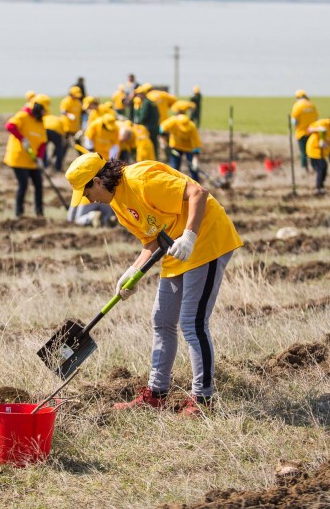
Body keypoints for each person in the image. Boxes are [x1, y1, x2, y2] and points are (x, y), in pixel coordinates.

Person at [65, 153, 242, 416]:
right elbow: (150, 243)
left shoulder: (142, 180)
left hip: (205, 240)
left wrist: (190, 236)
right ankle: (156, 393)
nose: (88, 200)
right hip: (175, 249)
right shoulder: (118, 204)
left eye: (86, 192)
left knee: (192, 323)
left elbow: (198, 193)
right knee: (162, 319)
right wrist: (132, 272)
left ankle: (203, 401)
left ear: (99, 181)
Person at [4, 94, 49, 218]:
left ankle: (39, 213)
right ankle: (19, 213)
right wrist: (22, 138)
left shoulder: (40, 122)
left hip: (32, 158)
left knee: (39, 184)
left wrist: (40, 157)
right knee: (23, 184)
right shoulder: (23, 116)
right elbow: (9, 126)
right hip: (18, 158)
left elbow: (43, 142)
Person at [160, 101, 202, 181]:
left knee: (182, 168)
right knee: (182, 168)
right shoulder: (190, 125)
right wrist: (162, 140)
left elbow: (162, 128)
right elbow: (196, 144)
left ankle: (177, 182)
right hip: (181, 147)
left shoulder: (174, 121)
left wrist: (195, 160)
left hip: (181, 147)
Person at [305, 110, 330, 194]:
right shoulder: (323, 123)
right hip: (314, 148)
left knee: (324, 167)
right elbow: (308, 130)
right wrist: (318, 129)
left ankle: (321, 186)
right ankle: (318, 188)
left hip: (323, 150)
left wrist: (326, 144)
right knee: (321, 167)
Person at [290, 90, 319, 172]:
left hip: (301, 133)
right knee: (312, 151)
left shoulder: (297, 106)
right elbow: (317, 118)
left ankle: (304, 169)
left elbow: (294, 121)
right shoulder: (312, 105)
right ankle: (315, 167)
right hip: (312, 132)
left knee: (303, 153)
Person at [132, 84, 162, 161]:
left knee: (149, 145)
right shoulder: (151, 102)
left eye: (138, 94)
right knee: (154, 144)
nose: (137, 96)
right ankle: (155, 159)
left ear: (142, 94)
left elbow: (143, 116)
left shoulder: (146, 103)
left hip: (148, 128)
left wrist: (137, 123)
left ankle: (150, 160)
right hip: (155, 126)